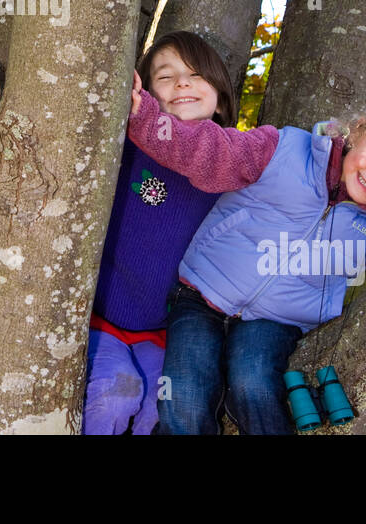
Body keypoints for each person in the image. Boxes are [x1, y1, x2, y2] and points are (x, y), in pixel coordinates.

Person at [127, 75, 366, 434]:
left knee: (254, 384)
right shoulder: (283, 149)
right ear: (360, 129)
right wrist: (146, 119)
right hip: (201, 295)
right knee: (184, 398)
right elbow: (211, 150)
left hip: (276, 322)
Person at [85, 31, 242, 435]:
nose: (182, 84)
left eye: (194, 75)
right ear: (144, 95)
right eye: (165, 76)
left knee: (164, 404)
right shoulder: (126, 148)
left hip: (161, 331)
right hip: (99, 322)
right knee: (117, 396)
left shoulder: (234, 167)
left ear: (221, 98)